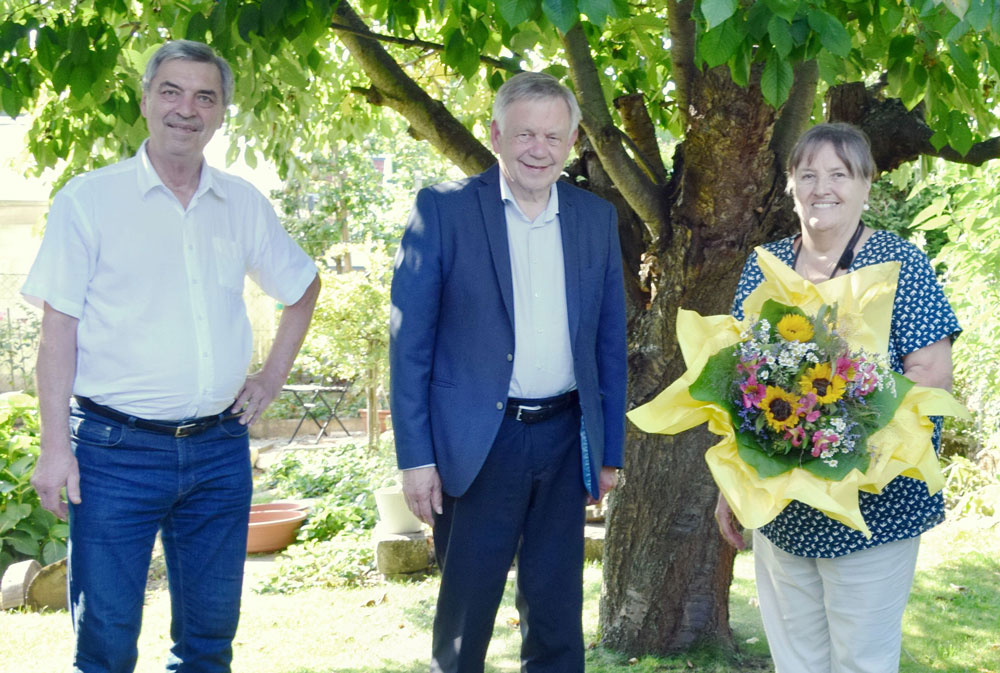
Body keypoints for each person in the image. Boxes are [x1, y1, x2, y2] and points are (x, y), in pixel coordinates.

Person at [23, 40, 320, 673]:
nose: (187, 109)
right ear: (146, 100)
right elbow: (58, 331)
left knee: (210, 644)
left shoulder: (242, 203)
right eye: (172, 91)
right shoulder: (89, 200)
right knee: (104, 642)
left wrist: (270, 378)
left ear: (221, 113)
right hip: (112, 454)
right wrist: (55, 448)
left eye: (205, 97)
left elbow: (301, 288)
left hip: (218, 452)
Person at [389, 71, 627, 673]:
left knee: (556, 617)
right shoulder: (443, 211)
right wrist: (415, 459)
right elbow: (409, 346)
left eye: (553, 136)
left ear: (572, 143)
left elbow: (607, 344)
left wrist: (610, 452)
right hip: (477, 446)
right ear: (496, 134)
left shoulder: (594, 219)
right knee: (467, 621)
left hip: (563, 436)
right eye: (524, 134)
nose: (538, 149)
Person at [716, 122, 960, 673]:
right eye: (809, 174)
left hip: (875, 505)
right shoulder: (764, 264)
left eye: (839, 174)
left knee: (861, 662)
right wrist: (734, 487)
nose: (822, 187)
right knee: (796, 660)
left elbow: (931, 378)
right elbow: (735, 382)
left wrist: (844, 440)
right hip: (784, 512)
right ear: (791, 186)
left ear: (866, 186)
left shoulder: (902, 264)